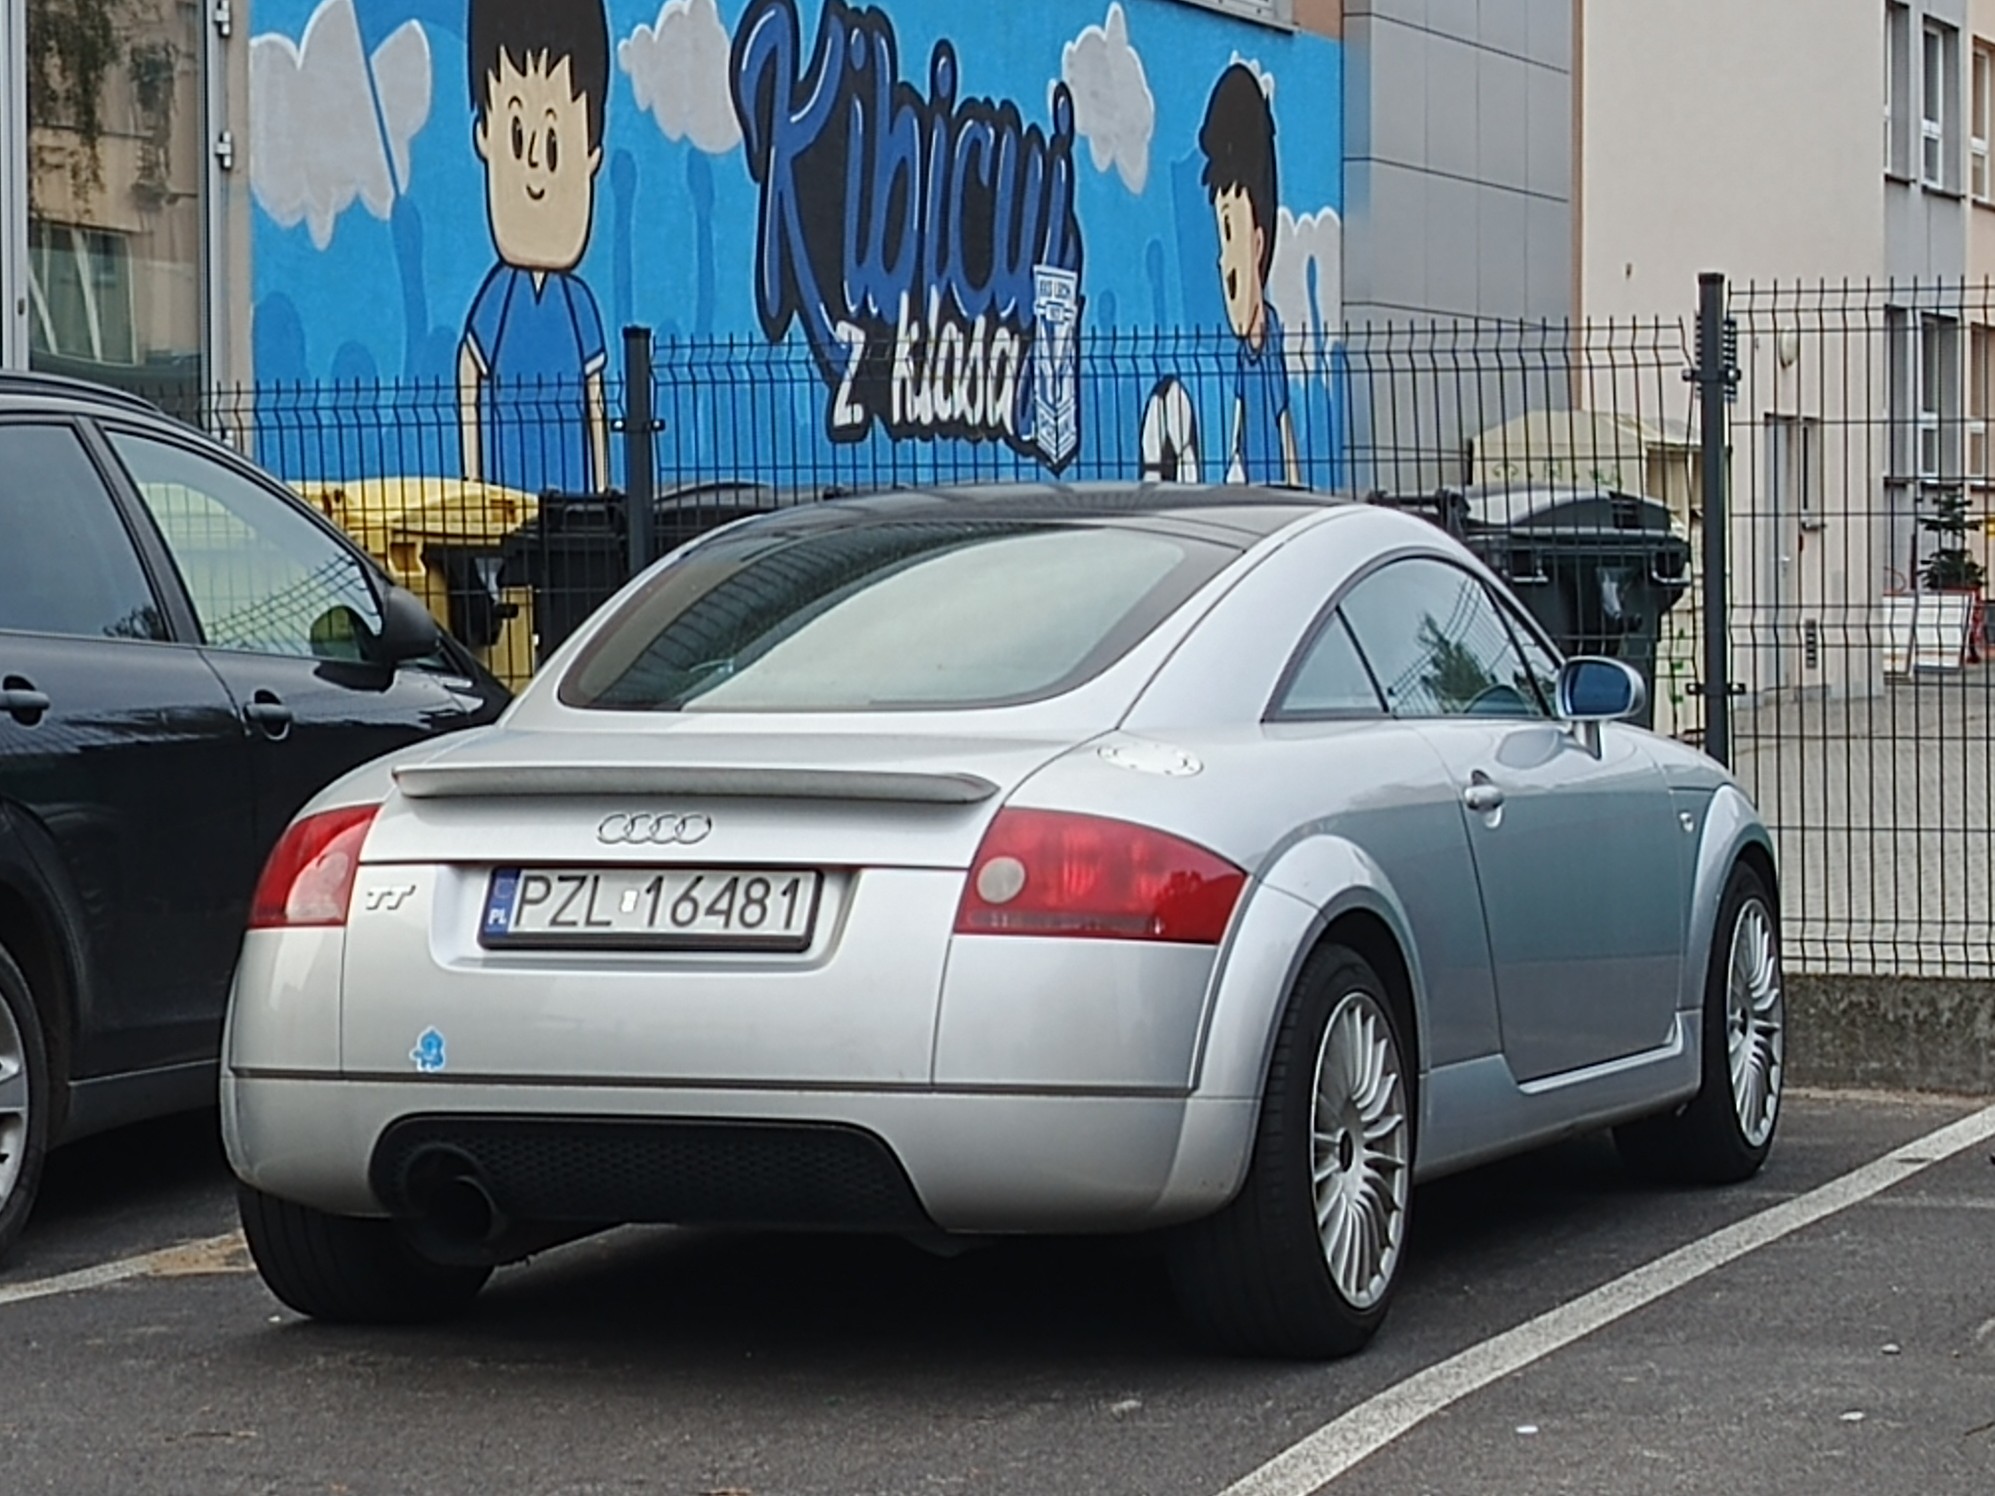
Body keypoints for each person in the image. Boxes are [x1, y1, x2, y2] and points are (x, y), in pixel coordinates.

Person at [459, 0, 611, 496]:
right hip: (507, 500)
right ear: (485, 135)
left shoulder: (575, 303)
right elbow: (469, 369)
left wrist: (605, 489)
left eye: (554, 145)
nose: (537, 176)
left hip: (574, 500)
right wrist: (472, 484)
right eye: (518, 135)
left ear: (591, 152)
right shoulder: (501, 297)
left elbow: (596, 402)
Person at [1199, 63, 1301, 488]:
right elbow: (1238, 435)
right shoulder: (1245, 353)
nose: (1223, 262)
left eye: (1229, 232)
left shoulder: (1270, 340)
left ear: (1258, 242)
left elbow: (1283, 430)